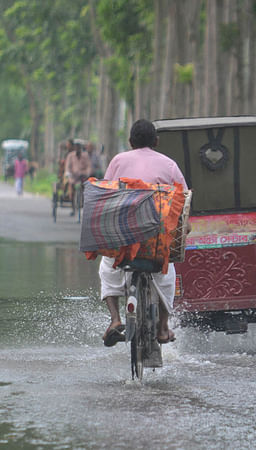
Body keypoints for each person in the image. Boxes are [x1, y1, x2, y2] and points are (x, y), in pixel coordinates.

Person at [99, 119, 188, 347]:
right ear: (156, 141)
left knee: (108, 266)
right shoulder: (169, 165)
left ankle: (115, 319)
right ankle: (163, 328)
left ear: (130, 142)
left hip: (123, 239)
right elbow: (183, 200)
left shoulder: (118, 160)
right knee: (167, 275)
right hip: (155, 241)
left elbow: (106, 194)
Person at [64, 142, 92, 214]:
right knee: (71, 189)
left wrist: (87, 173)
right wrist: (68, 174)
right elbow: (67, 167)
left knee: (86, 189)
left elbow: (89, 166)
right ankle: (73, 207)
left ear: (80, 148)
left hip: (83, 176)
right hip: (73, 176)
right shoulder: (70, 156)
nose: (77, 149)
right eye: (76, 147)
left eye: (78, 147)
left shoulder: (85, 155)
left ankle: (84, 204)